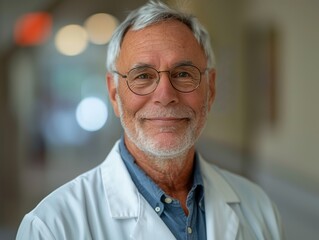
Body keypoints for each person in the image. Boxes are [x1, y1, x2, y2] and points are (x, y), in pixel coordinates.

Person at [16, 1, 284, 239]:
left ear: (210, 89)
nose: (165, 95)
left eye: (183, 74)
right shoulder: (52, 227)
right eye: (142, 76)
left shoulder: (258, 208)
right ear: (113, 93)